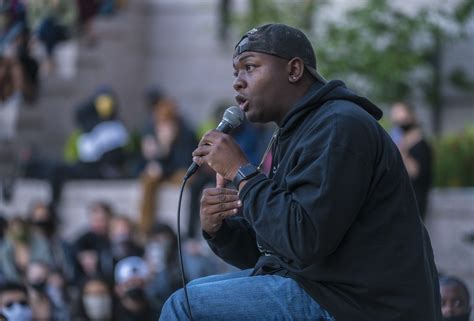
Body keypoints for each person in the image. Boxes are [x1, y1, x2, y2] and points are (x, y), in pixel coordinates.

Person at [159, 23, 441, 320]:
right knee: (193, 293)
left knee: (184, 307)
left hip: (363, 304)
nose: (238, 83)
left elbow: (304, 240)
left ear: (294, 71)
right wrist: (219, 229)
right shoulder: (296, 132)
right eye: (236, 73)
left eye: (250, 67)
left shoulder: (338, 126)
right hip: (324, 288)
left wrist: (242, 172)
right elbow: (275, 254)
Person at [390, 101, 433, 220]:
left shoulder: (419, 144)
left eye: (400, 113)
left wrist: (402, 150)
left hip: (414, 202)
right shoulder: (400, 140)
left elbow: (415, 172)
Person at [114, 256, 154, 321]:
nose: (134, 287)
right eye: (128, 284)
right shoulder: (112, 316)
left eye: (140, 283)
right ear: (118, 289)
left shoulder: (159, 312)